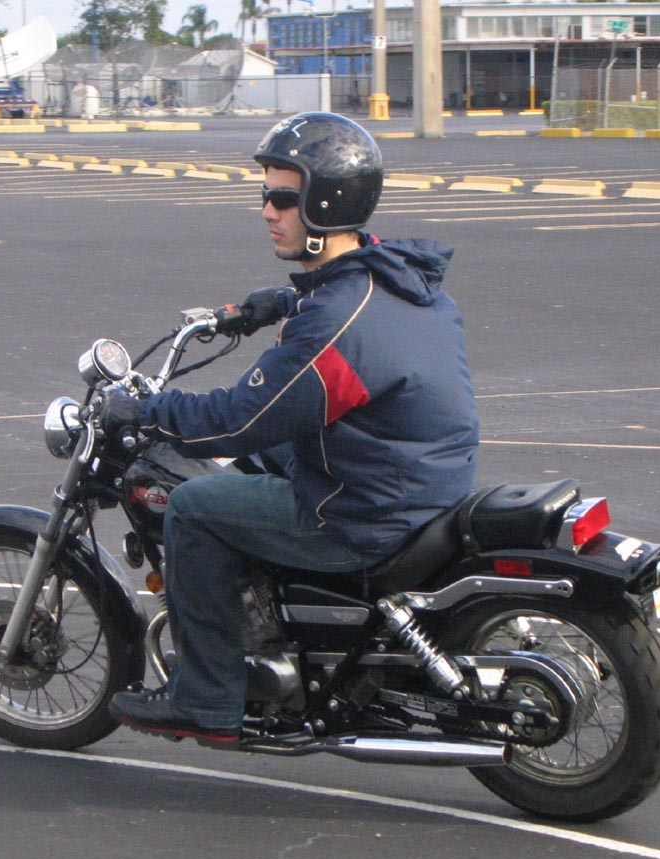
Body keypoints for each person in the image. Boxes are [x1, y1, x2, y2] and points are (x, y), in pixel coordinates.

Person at [104, 112, 479, 745]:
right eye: (266, 195)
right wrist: (273, 303)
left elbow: (239, 419)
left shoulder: (335, 326)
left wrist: (147, 411)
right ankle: (266, 611)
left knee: (193, 506)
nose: (266, 211)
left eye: (282, 199)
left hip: (365, 510)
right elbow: (334, 288)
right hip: (419, 477)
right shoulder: (393, 277)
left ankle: (205, 699)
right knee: (262, 461)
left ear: (325, 204)